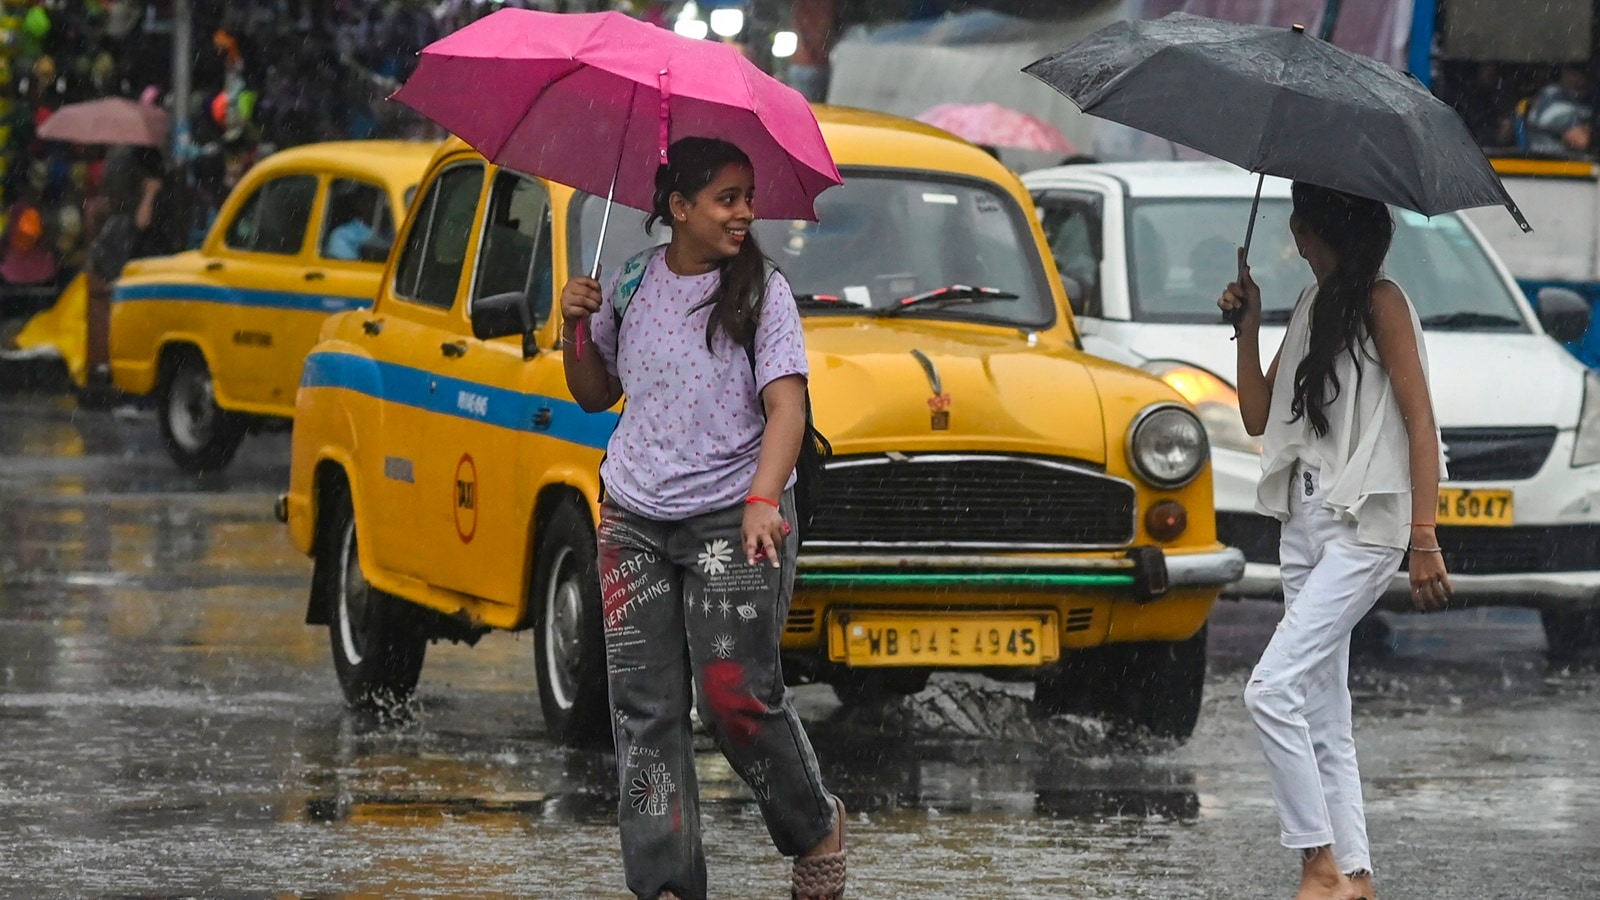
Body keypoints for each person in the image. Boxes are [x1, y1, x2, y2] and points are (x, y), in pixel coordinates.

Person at [559, 137, 846, 900]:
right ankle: (664, 883)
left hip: (731, 519)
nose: (745, 212)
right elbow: (593, 394)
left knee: (734, 698)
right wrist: (573, 327)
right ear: (678, 208)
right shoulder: (627, 284)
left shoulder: (763, 293)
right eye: (728, 198)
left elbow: (788, 409)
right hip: (632, 518)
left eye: (748, 196)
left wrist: (761, 499)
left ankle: (814, 824)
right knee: (644, 715)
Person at [1218, 182, 1452, 900]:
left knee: (1270, 691)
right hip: (1305, 523)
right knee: (1323, 714)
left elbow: (1420, 423)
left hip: (1366, 527)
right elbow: (1260, 418)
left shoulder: (1384, 304)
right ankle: (1356, 876)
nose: (1294, 235)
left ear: (1313, 230)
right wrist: (1250, 327)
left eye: (1300, 220)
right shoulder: (1315, 306)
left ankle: (1318, 864)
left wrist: (1424, 536)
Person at [1526, 64, 1593, 156]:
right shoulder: (1552, 99)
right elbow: (1581, 141)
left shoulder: (1582, 100)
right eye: (1575, 74)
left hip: (1575, 164)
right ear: (1564, 73)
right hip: (1548, 165)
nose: (1581, 80)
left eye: (1585, 75)